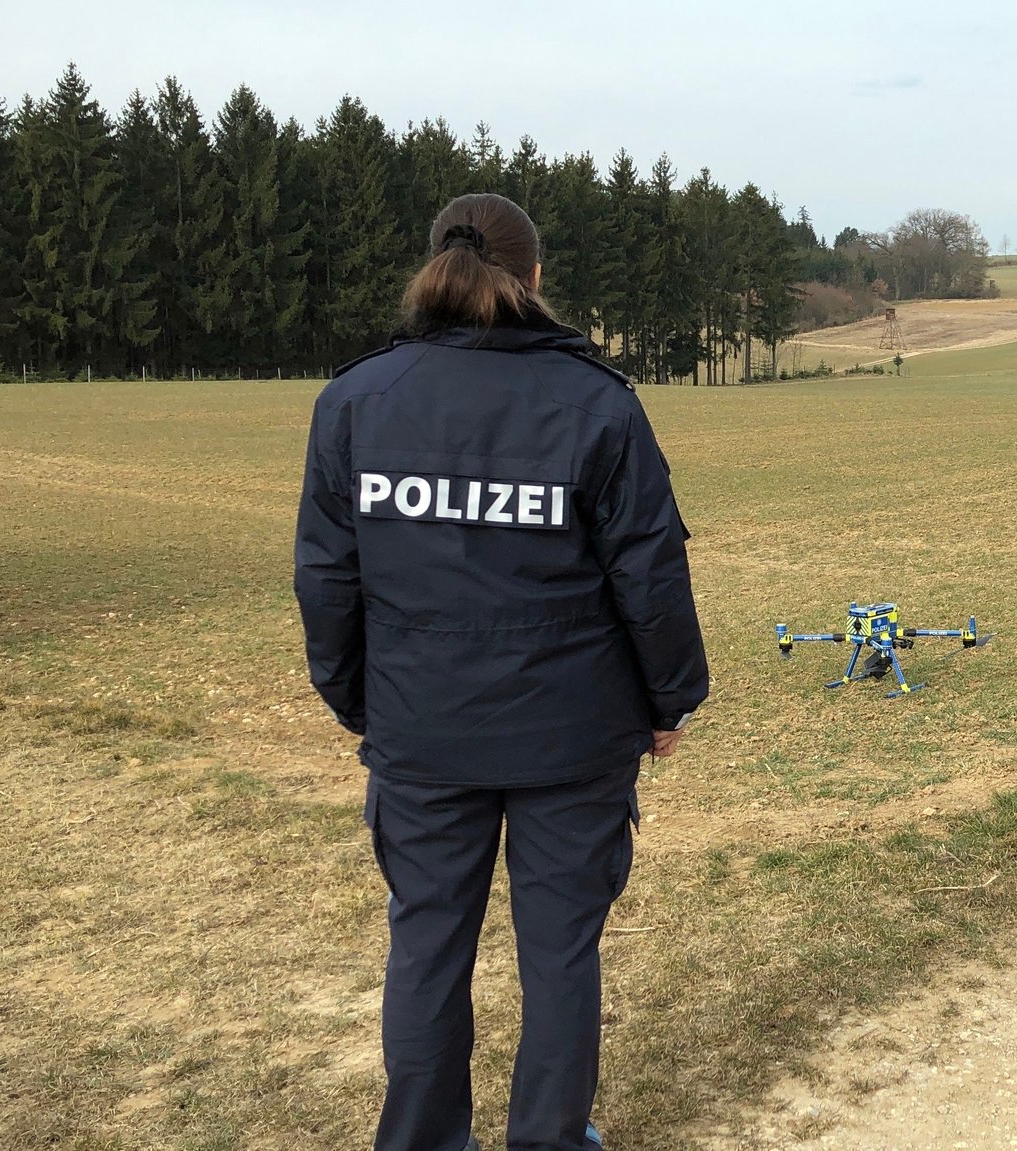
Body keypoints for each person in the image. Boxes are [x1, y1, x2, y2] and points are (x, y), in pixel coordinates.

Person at [295, 192, 708, 1151]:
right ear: (532, 280)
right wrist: (671, 698)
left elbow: (326, 577)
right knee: (559, 954)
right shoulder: (598, 401)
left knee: (427, 944)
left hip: (424, 731)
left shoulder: (356, 401)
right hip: (572, 735)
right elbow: (650, 575)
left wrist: (359, 698)